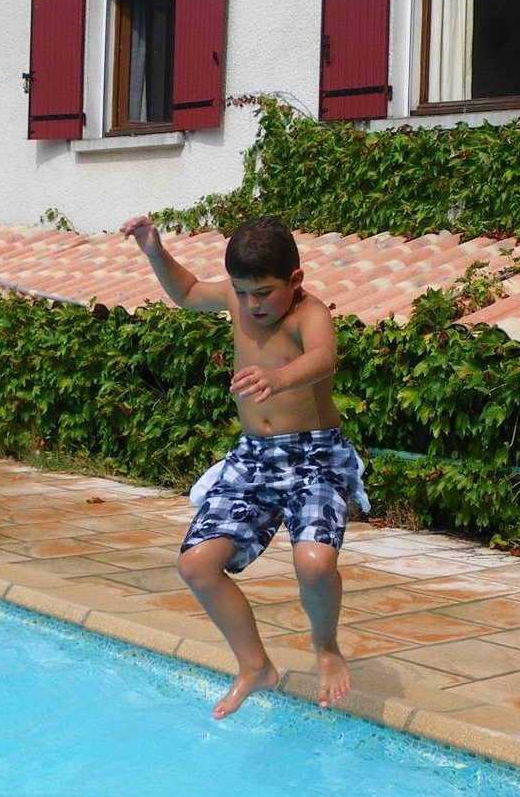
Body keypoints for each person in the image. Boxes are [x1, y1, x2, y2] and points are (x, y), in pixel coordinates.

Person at [121, 214, 361, 718]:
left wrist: (280, 377)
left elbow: (324, 357)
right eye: (242, 292)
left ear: (295, 281)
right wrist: (154, 251)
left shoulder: (308, 313)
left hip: (314, 456)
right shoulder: (237, 300)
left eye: (264, 293)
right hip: (254, 458)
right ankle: (255, 666)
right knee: (196, 564)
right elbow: (186, 292)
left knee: (314, 566)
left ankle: (326, 647)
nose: (252, 305)